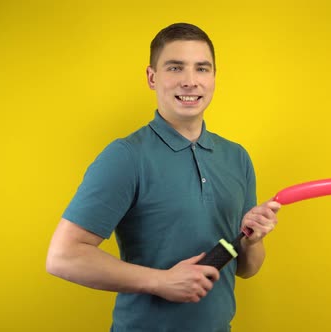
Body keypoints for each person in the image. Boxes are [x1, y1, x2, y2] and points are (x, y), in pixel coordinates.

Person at [46, 22, 280, 332]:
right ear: (152, 78)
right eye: (175, 68)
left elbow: (247, 269)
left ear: (213, 78)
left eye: (202, 69)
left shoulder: (237, 158)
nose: (190, 81)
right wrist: (162, 281)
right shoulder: (126, 156)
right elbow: (63, 257)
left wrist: (254, 241)